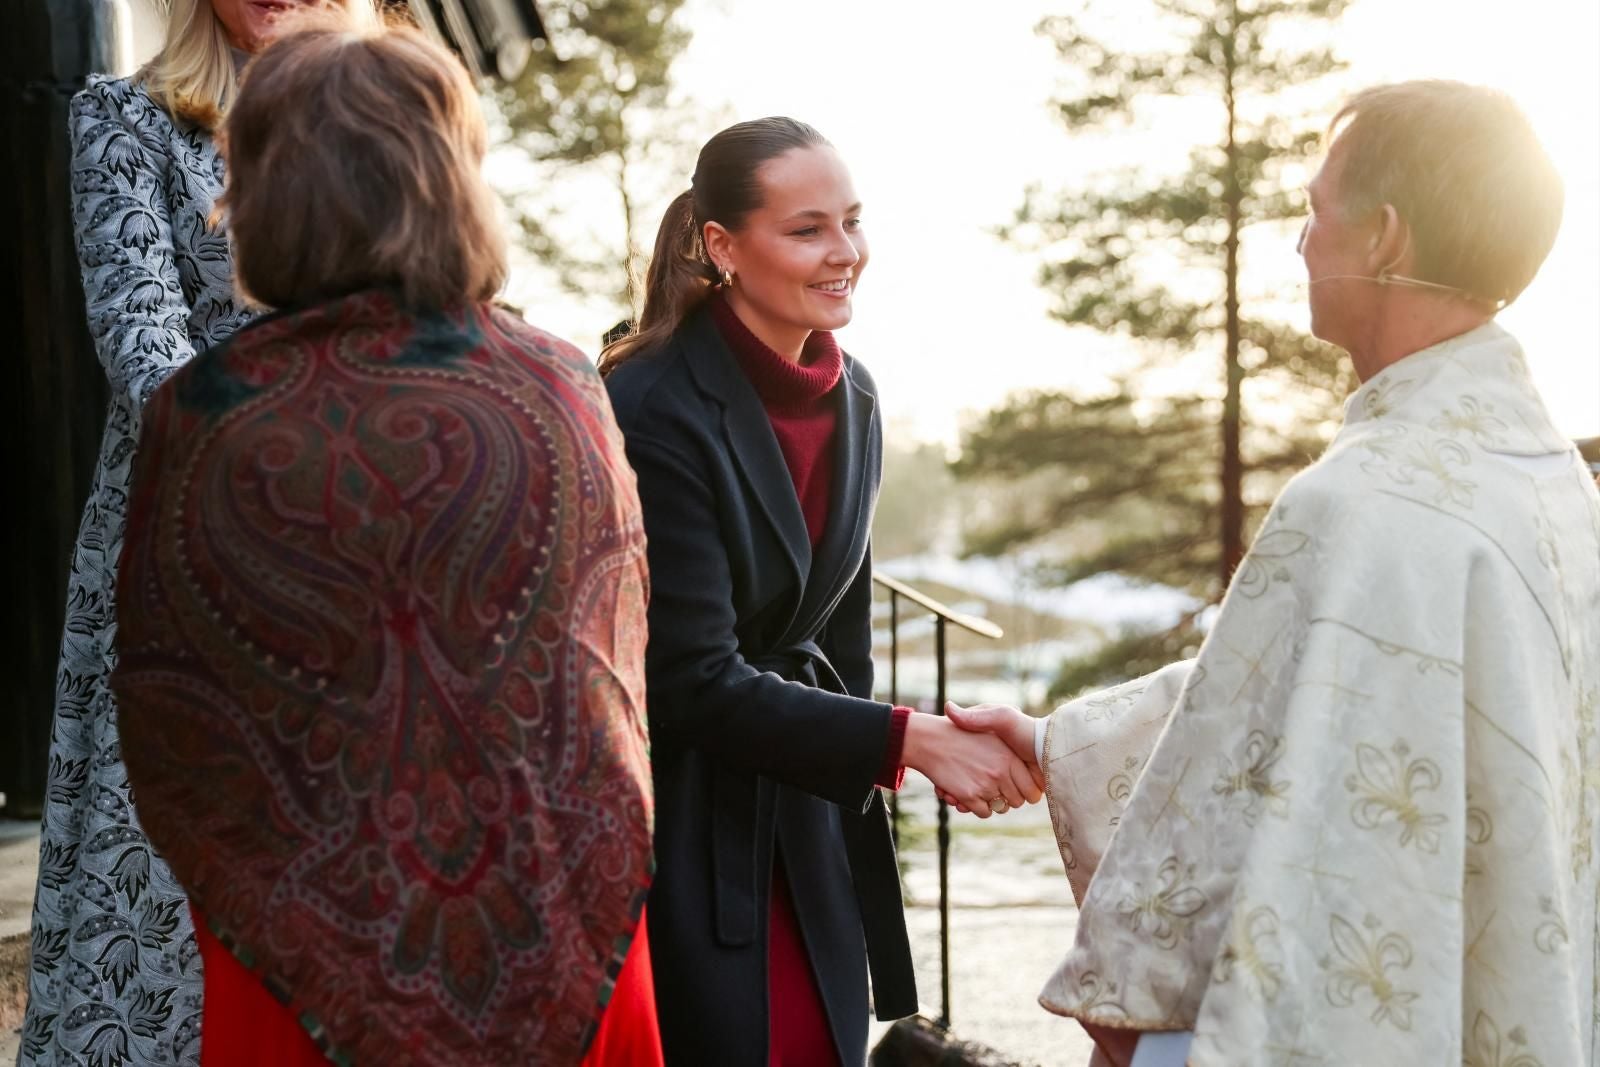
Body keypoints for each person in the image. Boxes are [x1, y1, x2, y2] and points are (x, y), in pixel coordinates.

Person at [950, 80, 1599, 1066]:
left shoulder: (1361, 503)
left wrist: (1136, 981)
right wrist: (1053, 739)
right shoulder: (1548, 480)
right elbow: (1281, 699)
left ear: (1383, 238)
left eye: (1312, 209)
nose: (1301, 242)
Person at [107, 14, 657, 1067]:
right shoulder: (559, 382)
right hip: (564, 929)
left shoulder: (207, 410)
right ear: (455, 178)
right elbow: (613, 679)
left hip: (298, 952)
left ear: (267, 193)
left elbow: (178, 703)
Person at [601, 118, 1043, 1066]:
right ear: (722, 245)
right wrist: (908, 740)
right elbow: (689, 680)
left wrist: (883, 758)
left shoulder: (859, 397)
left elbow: (844, 648)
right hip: (679, 829)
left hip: (811, 820)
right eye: (807, 230)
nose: (844, 253)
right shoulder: (652, 405)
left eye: (851, 221)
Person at [21, 1, 373, 1063]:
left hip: (370, 534)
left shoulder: (386, 115)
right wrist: (289, 479)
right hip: (189, 532)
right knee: (158, 883)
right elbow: (143, 344)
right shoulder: (126, 117)